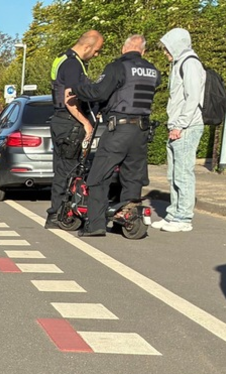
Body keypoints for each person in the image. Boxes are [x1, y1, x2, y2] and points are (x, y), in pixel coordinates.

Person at [73, 35, 161, 236]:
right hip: (141, 131)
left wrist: (78, 89)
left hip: (119, 129)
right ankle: (128, 219)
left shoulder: (118, 67)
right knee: (133, 178)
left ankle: (95, 225)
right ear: (143, 51)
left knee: (98, 176)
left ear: (124, 48)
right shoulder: (152, 70)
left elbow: (99, 92)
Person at [46, 30, 104, 228]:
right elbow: (70, 99)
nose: (96, 54)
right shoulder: (73, 64)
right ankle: (57, 215)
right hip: (69, 123)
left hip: (61, 121)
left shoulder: (64, 59)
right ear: (87, 46)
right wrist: (86, 123)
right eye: (96, 50)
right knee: (68, 170)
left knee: (62, 169)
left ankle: (59, 213)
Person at [153, 28, 206, 232]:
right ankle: (173, 214)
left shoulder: (190, 63)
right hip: (178, 125)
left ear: (177, 45)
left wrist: (180, 125)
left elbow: (192, 98)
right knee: (173, 173)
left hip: (187, 126)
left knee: (183, 173)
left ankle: (183, 217)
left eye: (167, 47)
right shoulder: (179, 63)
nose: (165, 52)